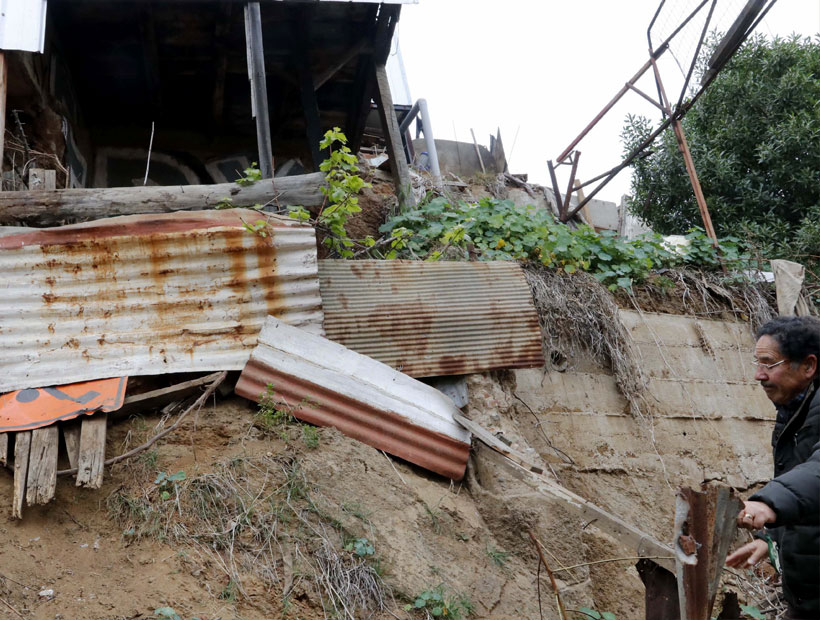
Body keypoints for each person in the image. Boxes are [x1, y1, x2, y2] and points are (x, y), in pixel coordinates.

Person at [725, 316, 820, 619]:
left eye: (768, 364)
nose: (758, 375)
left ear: (808, 366)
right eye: (757, 363)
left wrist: (768, 503)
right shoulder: (795, 409)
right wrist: (774, 541)